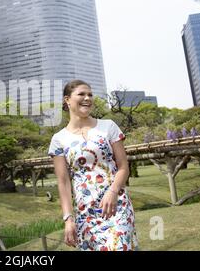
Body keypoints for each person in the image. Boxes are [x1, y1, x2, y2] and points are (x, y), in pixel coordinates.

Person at [48, 80, 138, 251]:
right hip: (85, 212)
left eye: (90, 94)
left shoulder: (108, 126)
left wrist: (113, 192)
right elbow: (63, 182)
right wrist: (68, 219)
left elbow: (124, 166)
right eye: (81, 94)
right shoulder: (58, 139)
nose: (87, 98)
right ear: (67, 100)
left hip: (116, 205)